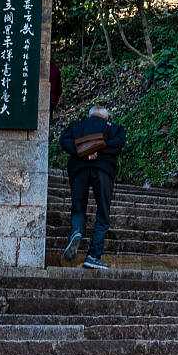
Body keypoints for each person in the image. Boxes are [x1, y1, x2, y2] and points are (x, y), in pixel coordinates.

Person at [59, 102, 126, 269]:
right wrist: (99, 150)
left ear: (90, 115)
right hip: (103, 171)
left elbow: (64, 140)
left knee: (78, 208)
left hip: (79, 170)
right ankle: (93, 256)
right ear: (105, 117)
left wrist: (83, 151)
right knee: (103, 213)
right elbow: (119, 142)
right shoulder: (113, 128)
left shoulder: (77, 126)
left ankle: (77, 232)